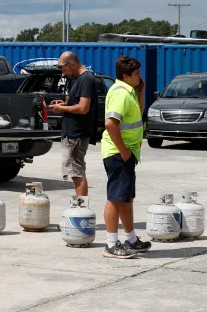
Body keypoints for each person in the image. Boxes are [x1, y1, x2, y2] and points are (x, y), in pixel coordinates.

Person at [101, 56, 151, 258]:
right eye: (137, 73)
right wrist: (123, 151)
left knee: (126, 199)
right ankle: (111, 244)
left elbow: (138, 114)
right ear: (126, 75)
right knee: (115, 198)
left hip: (128, 153)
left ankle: (131, 239)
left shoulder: (129, 91)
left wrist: (141, 92)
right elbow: (110, 123)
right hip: (118, 153)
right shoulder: (120, 94)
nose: (140, 76)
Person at [49, 52, 98, 197]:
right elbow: (77, 104)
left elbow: (83, 108)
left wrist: (62, 109)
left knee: (77, 173)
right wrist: (64, 104)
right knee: (75, 172)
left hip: (76, 134)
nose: (63, 73)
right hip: (72, 133)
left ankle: (80, 209)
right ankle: (80, 208)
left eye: (64, 69)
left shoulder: (87, 79)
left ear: (72, 64)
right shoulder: (78, 79)